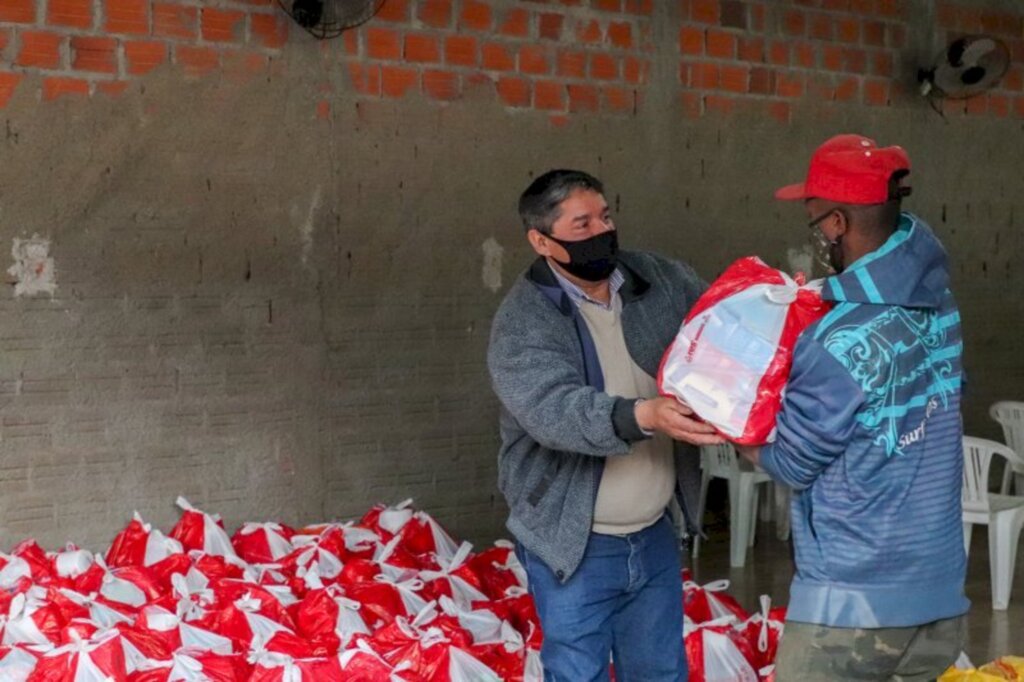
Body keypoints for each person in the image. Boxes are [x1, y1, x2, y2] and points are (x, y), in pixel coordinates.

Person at [737, 134, 969, 681]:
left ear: (837, 222)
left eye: (814, 217)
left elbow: (793, 462)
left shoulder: (839, 336)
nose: (815, 230)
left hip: (851, 610)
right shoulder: (941, 304)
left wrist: (730, 426)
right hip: (939, 599)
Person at [487, 169, 721, 681]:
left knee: (659, 671)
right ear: (541, 240)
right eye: (582, 224)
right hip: (574, 544)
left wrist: (769, 304)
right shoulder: (523, 321)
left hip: (653, 533)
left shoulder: (658, 280)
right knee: (577, 672)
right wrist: (645, 414)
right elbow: (555, 410)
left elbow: (718, 319)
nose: (602, 231)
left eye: (606, 216)